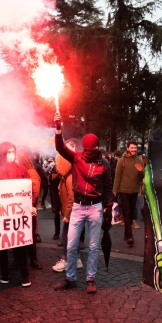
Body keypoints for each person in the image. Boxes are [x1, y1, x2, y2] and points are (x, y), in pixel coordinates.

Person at [53, 113, 113, 294]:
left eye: (95, 147)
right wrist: (58, 128)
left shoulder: (104, 164)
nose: (93, 150)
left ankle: (90, 279)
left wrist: (108, 207)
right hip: (78, 207)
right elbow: (60, 148)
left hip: (95, 207)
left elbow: (108, 187)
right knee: (71, 245)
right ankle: (70, 278)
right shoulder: (77, 157)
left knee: (94, 246)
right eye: (90, 147)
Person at [0, 142, 33, 287]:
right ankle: (4, 274)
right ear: (2, 153)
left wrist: (31, 205)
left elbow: (29, 189)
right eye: (8, 151)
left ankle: (24, 275)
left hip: (19, 214)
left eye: (13, 151)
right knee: (2, 246)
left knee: (21, 245)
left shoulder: (21, 169)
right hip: (2, 214)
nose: (11, 154)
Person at [51, 147, 83, 273]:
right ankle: (77, 259)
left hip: (72, 214)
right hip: (72, 213)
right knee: (73, 237)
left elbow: (72, 198)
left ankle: (66, 260)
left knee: (66, 237)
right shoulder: (69, 176)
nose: (57, 166)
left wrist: (67, 215)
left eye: (58, 163)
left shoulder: (69, 178)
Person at [113, 141, 144, 246]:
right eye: (132, 148)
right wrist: (114, 190)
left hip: (134, 190)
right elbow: (117, 177)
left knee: (131, 213)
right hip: (123, 190)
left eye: (135, 148)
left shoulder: (139, 161)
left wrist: (141, 171)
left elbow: (143, 177)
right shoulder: (121, 161)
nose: (134, 150)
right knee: (127, 213)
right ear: (127, 148)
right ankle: (130, 236)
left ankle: (127, 234)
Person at [16, 146, 42, 269]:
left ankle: (33, 259)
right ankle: (23, 259)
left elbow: (35, 192)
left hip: (28, 209)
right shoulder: (22, 170)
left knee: (30, 235)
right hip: (20, 209)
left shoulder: (31, 172)